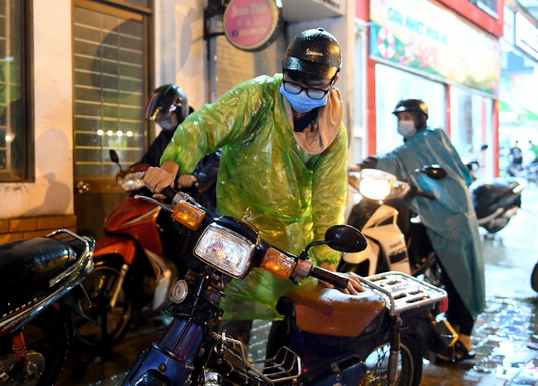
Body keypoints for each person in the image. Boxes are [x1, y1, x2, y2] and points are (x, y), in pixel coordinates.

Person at [143, 28, 364, 353]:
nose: (302, 94)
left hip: (291, 238)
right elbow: (207, 124)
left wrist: (327, 261)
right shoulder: (258, 97)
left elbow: (328, 197)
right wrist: (173, 164)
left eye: (314, 87)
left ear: (333, 81)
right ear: (285, 72)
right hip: (237, 230)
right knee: (228, 315)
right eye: (294, 83)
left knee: (289, 318)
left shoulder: (333, 133)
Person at [353, 99, 485, 362]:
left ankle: (464, 332)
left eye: (407, 116)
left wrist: (375, 162)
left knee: (458, 273)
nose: (403, 121)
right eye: (399, 116)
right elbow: (393, 162)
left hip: (452, 215)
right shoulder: (408, 147)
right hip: (431, 213)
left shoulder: (431, 137)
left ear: (420, 117)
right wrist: (362, 166)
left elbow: (404, 161)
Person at [136, 84, 220, 211]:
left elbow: (216, 161)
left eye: (164, 117)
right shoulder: (165, 135)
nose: (161, 122)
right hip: (172, 198)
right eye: (158, 119)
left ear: (179, 111)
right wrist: (135, 171)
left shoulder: (199, 128)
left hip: (199, 199)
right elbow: (149, 158)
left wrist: (196, 177)